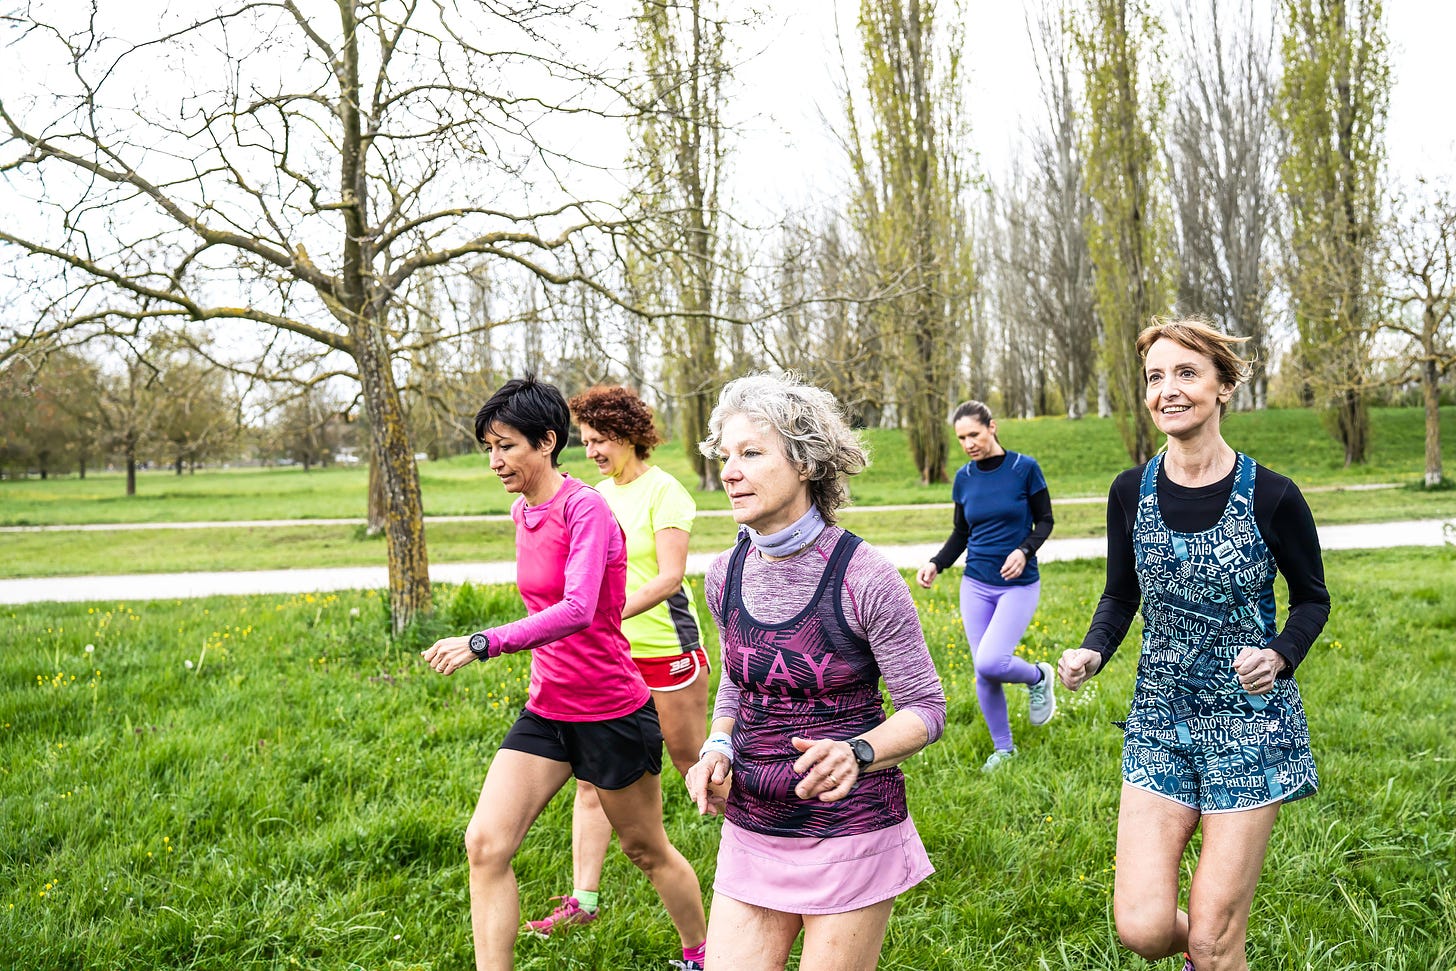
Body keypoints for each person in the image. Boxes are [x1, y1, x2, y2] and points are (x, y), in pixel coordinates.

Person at [1057, 317, 1329, 971]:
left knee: (1212, 941)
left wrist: (1279, 654)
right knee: (1145, 928)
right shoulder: (1130, 492)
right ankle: (1214, 950)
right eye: (1155, 376)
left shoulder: (1272, 495)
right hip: (1159, 724)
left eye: (1186, 372)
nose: (1168, 389)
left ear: (1222, 386)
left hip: (1248, 730)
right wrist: (1095, 649)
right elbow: (1121, 594)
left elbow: (1312, 598)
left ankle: (1216, 953)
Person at [421, 376, 708, 971]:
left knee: (645, 849)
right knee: (486, 844)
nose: (496, 461)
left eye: (507, 447)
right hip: (548, 710)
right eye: (489, 449)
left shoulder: (588, 508)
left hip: (610, 710)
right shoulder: (522, 510)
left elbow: (578, 610)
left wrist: (484, 642)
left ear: (546, 442)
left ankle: (701, 953)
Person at [683, 373, 946, 971]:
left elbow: (927, 710)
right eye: (726, 455)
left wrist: (856, 752)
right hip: (752, 820)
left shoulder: (865, 576)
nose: (729, 471)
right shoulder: (725, 572)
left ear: (804, 463)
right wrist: (717, 743)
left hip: (848, 829)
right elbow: (737, 676)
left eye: (751, 453)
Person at [524, 385, 710, 937]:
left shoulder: (665, 492)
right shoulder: (594, 497)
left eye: (601, 440)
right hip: (614, 659)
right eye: (586, 442)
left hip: (667, 653)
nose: (593, 451)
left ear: (630, 435)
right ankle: (584, 900)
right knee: (593, 782)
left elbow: (670, 577)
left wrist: (602, 613)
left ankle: (762, 855)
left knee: (693, 765)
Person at [916, 400, 1057, 772]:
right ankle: (1004, 749)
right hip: (976, 583)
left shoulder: (1024, 468)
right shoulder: (964, 478)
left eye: (974, 434)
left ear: (992, 427)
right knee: (984, 670)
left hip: (1018, 584)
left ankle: (1039, 675)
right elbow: (962, 532)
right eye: (961, 438)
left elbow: (1045, 520)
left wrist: (1025, 550)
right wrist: (937, 562)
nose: (968, 443)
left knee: (992, 661)